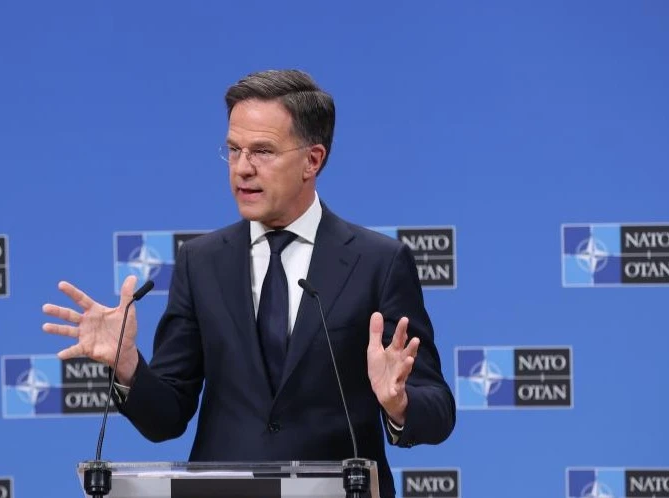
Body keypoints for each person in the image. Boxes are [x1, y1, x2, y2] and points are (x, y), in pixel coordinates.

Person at [42, 69, 456, 498]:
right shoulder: (201, 262)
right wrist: (127, 365)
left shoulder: (378, 262)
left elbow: (439, 408)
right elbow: (166, 418)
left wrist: (398, 403)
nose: (242, 168)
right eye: (234, 150)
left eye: (263, 151)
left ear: (312, 160)